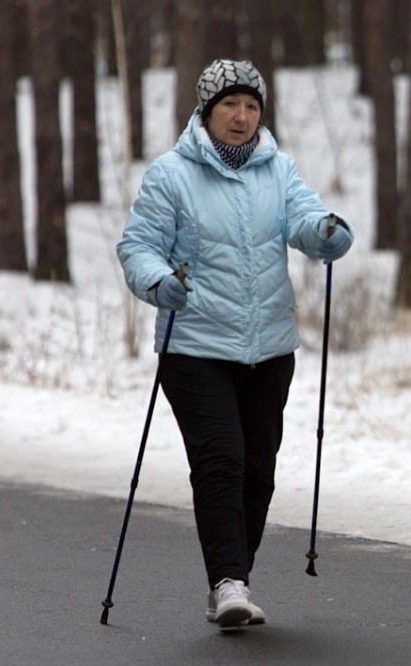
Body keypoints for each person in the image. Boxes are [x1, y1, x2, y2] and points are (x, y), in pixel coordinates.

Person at [117, 59, 354, 627]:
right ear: (206, 111)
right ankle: (227, 583)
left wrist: (326, 232)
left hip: (268, 349)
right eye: (230, 105)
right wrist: (158, 282)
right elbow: (137, 247)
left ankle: (234, 577)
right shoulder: (171, 174)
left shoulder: (279, 170)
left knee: (258, 469)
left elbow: (303, 219)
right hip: (194, 345)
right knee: (220, 459)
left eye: (251, 107)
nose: (242, 116)